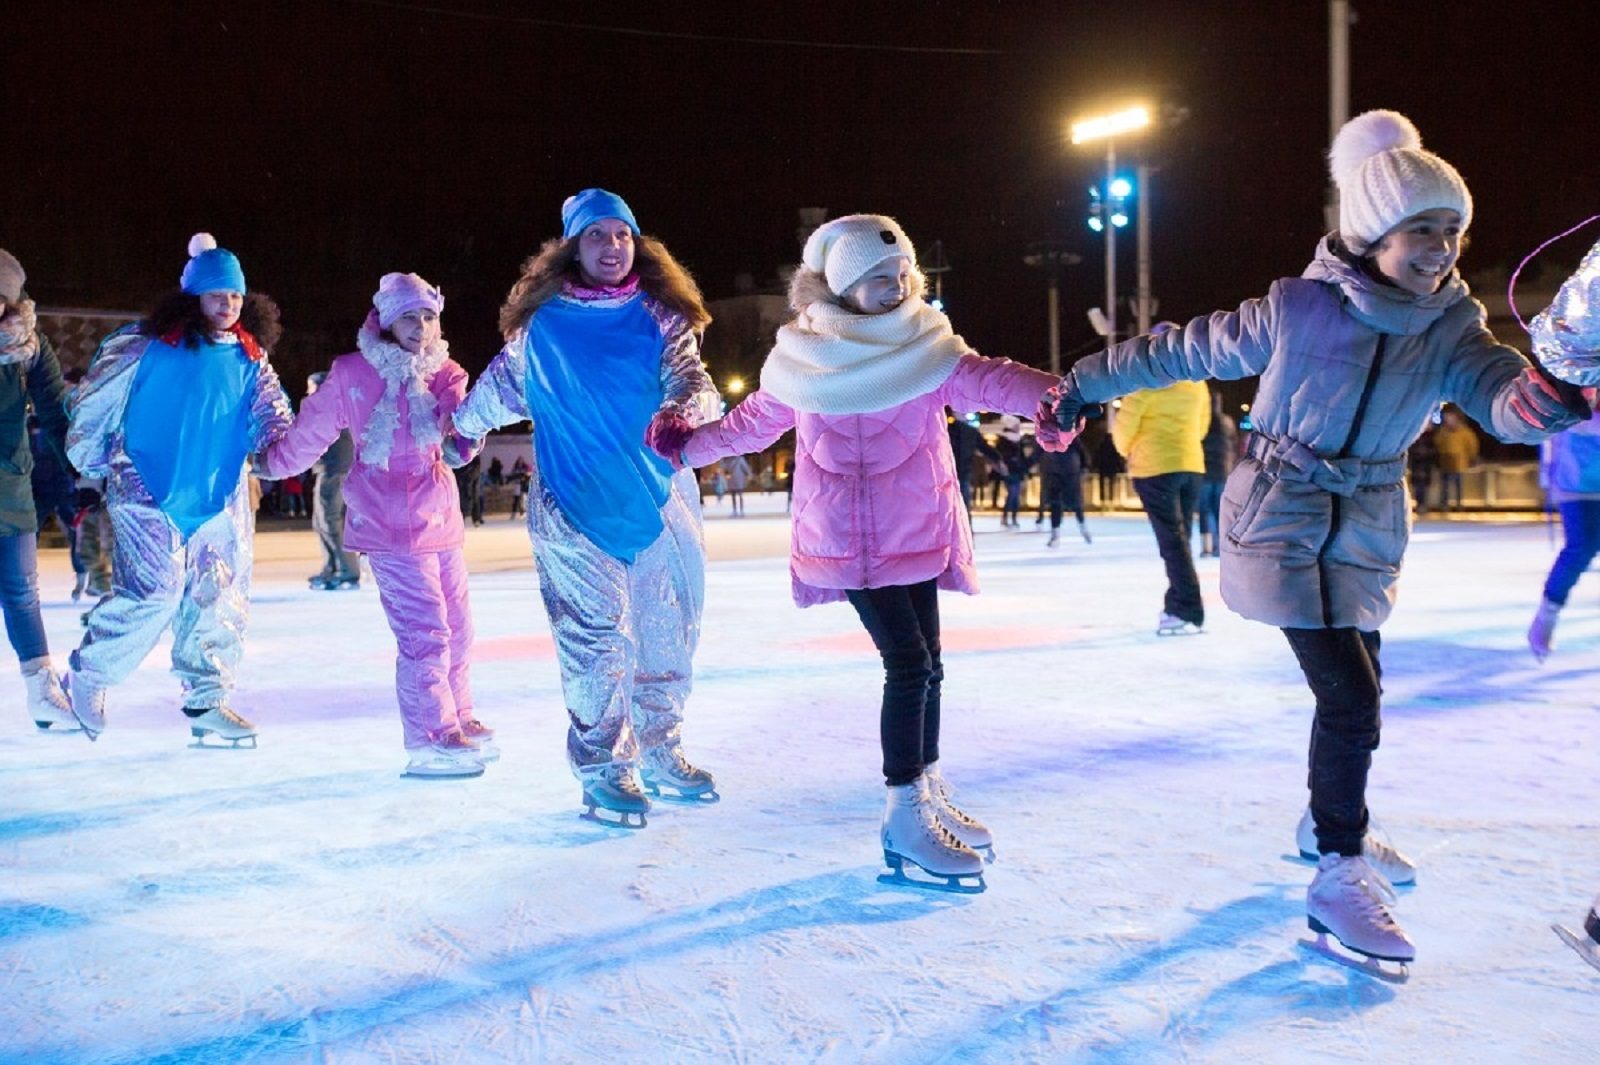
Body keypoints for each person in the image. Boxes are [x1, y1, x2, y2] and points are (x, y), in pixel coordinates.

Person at [1050, 110, 1588, 964]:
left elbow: (1498, 393)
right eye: (1422, 230)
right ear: (1373, 233)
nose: (1442, 249)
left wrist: (1545, 399)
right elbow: (1180, 351)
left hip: (1368, 522)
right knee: (1350, 698)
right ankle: (1338, 870)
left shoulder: (1451, 325)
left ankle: (1327, 821)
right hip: (1282, 513)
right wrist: (1081, 383)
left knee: (1360, 686)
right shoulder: (1296, 308)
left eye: (1452, 231)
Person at [665, 213, 1069, 892]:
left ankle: (926, 790)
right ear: (841, 285)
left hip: (916, 530)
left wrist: (1056, 398)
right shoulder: (804, 360)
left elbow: (990, 380)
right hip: (849, 538)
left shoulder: (925, 345)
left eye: (902, 272)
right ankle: (903, 816)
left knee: (930, 664)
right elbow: (749, 426)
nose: (896, 285)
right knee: (908, 665)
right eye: (879, 276)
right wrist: (683, 448)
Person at [448, 188, 719, 825]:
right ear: (573, 246)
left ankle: (660, 746)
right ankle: (603, 766)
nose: (612, 245)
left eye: (622, 234)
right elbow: (501, 385)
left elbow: (691, 378)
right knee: (595, 643)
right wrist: (463, 429)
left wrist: (682, 412)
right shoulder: (542, 325)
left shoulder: (660, 316)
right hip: (572, 504)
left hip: (659, 498)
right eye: (597, 234)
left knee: (667, 632)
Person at [63, 233, 294, 746]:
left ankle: (207, 697)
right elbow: (95, 401)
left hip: (218, 492)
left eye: (235, 295)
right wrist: (91, 465)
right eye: (216, 294)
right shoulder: (144, 346)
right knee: (155, 593)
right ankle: (89, 674)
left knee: (217, 592)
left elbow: (272, 415)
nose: (227, 304)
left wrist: (284, 449)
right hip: (148, 483)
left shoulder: (249, 356)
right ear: (192, 297)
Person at [263, 273, 491, 778]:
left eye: (428, 316)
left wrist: (464, 440)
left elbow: (461, 427)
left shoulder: (445, 371)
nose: (421, 326)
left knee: (458, 627)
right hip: (385, 519)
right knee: (425, 632)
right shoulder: (352, 372)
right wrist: (270, 463)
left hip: (438, 514)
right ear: (387, 319)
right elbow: (311, 432)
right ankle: (430, 737)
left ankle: (458, 715)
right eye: (409, 316)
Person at [0, 248, 75, 730]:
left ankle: (43, 693)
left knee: (22, 592)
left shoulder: (28, 347)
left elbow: (55, 412)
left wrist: (82, 472)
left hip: (10, 485)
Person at [1111, 325, 1211, 634]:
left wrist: (1128, 450)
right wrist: (1186, 446)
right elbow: (1202, 424)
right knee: (1180, 540)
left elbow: (1124, 426)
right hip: (1190, 465)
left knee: (1172, 542)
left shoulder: (1145, 379)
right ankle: (1176, 604)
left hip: (1155, 467)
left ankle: (1187, 610)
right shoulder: (1196, 382)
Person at [1526, 391, 1600, 661]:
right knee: (1582, 548)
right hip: (1577, 482)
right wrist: (1547, 474)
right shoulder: (1576, 378)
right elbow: (1565, 419)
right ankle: (1546, 616)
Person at [304, 372, 361, 590]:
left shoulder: (331, 407)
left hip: (334, 470)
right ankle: (332, 566)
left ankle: (347, 570)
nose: (307, 392)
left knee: (330, 520)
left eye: (310, 387)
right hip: (329, 469)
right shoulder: (332, 406)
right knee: (321, 521)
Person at [1197, 386, 1239, 558]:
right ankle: (1219, 546)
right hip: (1223, 472)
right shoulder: (1227, 422)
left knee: (1204, 510)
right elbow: (1234, 446)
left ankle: (1206, 546)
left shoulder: (1201, 421)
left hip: (1204, 472)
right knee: (1219, 511)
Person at [1038, 432, 1090, 547]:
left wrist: (1085, 466)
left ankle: (1081, 529)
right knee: (1060, 504)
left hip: (1062, 473)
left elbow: (1081, 451)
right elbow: (1081, 451)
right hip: (1061, 473)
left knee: (1068, 504)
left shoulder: (1058, 434)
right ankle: (1057, 534)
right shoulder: (1067, 434)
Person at [1433, 407, 1479, 509]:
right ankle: (1444, 503)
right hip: (1445, 461)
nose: (1449, 421)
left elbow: (1471, 445)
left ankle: (1459, 503)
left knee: (1458, 484)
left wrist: (1472, 456)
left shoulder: (1465, 432)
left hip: (1459, 463)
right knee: (1445, 485)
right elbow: (1438, 443)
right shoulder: (1443, 432)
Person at [1406, 421, 1440, 513]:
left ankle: (1422, 504)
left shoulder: (1431, 437)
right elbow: (1411, 451)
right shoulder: (1417, 437)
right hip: (1418, 466)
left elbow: (1434, 451)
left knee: (1423, 487)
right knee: (1419, 487)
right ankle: (1420, 504)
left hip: (1425, 466)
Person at [723, 452, 752, 516]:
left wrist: (727, 474)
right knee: (740, 495)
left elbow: (725, 469)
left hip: (731, 480)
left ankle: (735, 510)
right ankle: (741, 510)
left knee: (733, 496)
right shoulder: (740, 459)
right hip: (739, 479)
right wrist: (749, 474)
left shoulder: (728, 460)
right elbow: (745, 468)